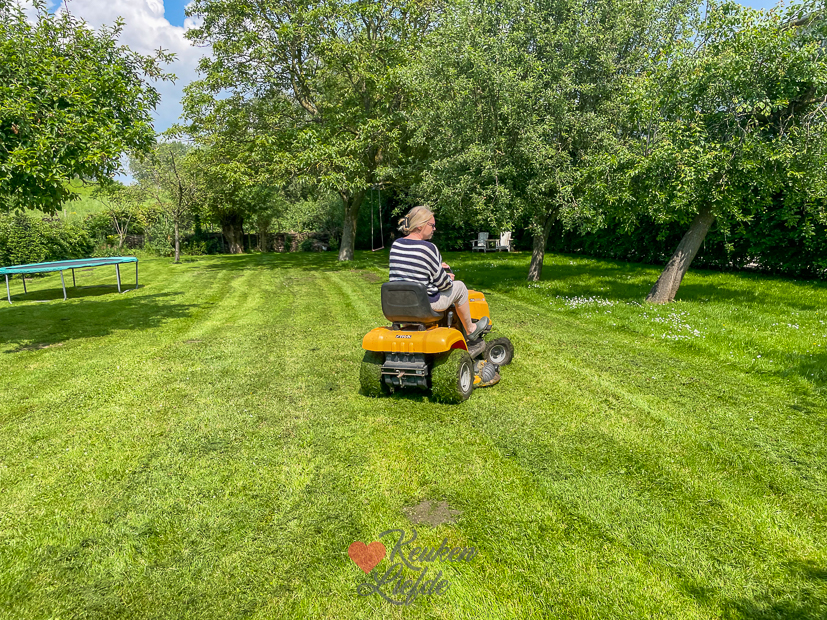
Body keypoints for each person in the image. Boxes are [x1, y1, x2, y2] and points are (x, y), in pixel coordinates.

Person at [389, 206, 488, 340]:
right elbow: (444, 286)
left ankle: (409, 325)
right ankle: (471, 329)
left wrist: (435, 266)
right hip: (424, 304)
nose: (434, 229)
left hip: (398, 303)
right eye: (432, 225)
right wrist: (447, 276)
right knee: (460, 287)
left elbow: (409, 270)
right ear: (420, 225)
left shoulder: (396, 245)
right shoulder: (429, 248)